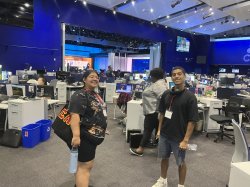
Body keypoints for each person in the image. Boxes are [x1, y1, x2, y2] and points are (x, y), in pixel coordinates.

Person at [152, 66, 199, 187]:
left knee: (181, 162)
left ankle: (181, 185)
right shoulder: (167, 94)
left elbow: (192, 121)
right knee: (164, 157)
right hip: (164, 134)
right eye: (174, 74)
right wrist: (159, 130)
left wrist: (186, 140)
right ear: (171, 77)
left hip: (179, 137)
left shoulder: (190, 97)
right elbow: (162, 113)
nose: (176, 76)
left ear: (184, 76)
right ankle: (163, 179)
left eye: (179, 74)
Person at [68, 70, 107, 187]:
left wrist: (103, 127)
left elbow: (96, 113)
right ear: (84, 79)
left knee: (83, 165)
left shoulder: (94, 94)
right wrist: (76, 136)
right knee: (85, 167)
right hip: (85, 136)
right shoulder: (79, 95)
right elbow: (74, 115)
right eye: (91, 77)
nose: (95, 79)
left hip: (92, 135)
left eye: (97, 77)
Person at [129, 68, 167, 156]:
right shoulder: (157, 83)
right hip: (152, 110)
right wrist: (145, 102)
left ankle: (140, 149)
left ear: (153, 76)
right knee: (157, 130)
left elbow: (163, 98)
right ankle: (165, 148)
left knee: (147, 130)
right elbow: (154, 96)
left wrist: (159, 110)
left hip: (153, 112)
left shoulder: (159, 85)